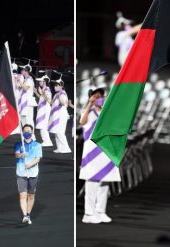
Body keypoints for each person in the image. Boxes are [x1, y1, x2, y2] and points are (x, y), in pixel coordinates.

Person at [79, 88, 121, 224]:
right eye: (96, 96)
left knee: (105, 182)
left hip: (106, 150)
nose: (100, 98)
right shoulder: (88, 112)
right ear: (91, 98)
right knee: (92, 182)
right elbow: (82, 122)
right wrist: (89, 104)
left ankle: (100, 211)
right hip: (92, 151)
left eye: (101, 96)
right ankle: (88, 213)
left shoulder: (106, 113)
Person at [14, 124, 42, 225]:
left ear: (32, 132)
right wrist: (22, 155)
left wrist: (29, 165)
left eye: (29, 131)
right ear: (22, 132)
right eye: (25, 131)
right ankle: (25, 215)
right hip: (21, 173)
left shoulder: (37, 145)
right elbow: (16, 154)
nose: (27, 132)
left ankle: (28, 213)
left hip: (33, 173)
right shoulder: (18, 144)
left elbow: (37, 159)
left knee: (31, 195)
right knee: (22, 195)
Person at [48, 80, 71, 153]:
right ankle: (60, 148)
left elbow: (64, 104)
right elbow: (51, 103)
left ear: (61, 86)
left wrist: (60, 99)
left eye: (57, 85)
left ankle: (66, 148)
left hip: (61, 116)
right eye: (55, 85)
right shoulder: (56, 94)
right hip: (56, 115)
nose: (55, 87)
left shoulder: (63, 94)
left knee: (60, 132)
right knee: (56, 131)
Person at [34, 75, 53, 146]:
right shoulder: (44, 89)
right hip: (42, 109)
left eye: (41, 81)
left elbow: (48, 100)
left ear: (44, 82)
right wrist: (36, 92)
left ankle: (47, 141)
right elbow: (42, 98)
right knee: (41, 125)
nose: (39, 82)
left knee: (43, 125)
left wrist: (41, 92)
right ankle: (46, 141)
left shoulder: (47, 89)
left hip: (45, 109)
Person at [16, 65, 37, 129]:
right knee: (23, 120)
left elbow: (25, 88)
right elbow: (21, 89)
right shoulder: (25, 80)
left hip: (28, 103)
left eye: (23, 70)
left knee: (29, 120)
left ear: (27, 71)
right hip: (24, 103)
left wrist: (19, 81)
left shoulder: (30, 80)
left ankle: (32, 137)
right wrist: (17, 82)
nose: (21, 71)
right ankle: (26, 135)